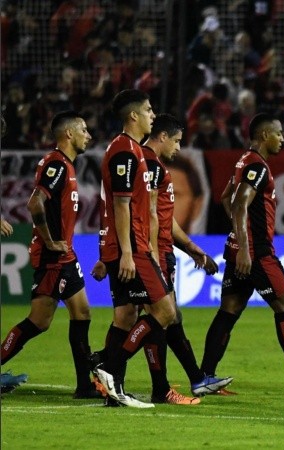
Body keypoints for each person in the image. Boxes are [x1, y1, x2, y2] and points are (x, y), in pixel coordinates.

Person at [199, 113, 284, 395]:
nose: (283, 139)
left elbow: (226, 199)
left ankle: (206, 377)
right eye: (279, 134)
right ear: (265, 136)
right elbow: (238, 205)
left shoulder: (242, 162)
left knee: (229, 311)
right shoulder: (257, 166)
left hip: (238, 249)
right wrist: (247, 247)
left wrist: (239, 238)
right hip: (257, 253)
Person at [0, 111, 101, 398]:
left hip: (64, 256)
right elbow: (35, 203)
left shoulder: (65, 165)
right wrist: (51, 240)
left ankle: (84, 386)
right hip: (53, 258)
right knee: (42, 320)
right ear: (68, 134)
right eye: (83, 129)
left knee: (73, 315)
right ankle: (84, 385)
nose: (88, 135)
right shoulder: (56, 165)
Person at [92, 89, 176, 409]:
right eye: (149, 110)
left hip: (124, 246)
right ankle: (108, 368)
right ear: (133, 116)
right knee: (165, 311)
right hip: (133, 247)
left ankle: (115, 392)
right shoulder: (125, 151)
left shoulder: (133, 150)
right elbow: (121, 204)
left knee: (126, 316)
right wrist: (126, 252)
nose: (153, 115)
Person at [142, 114, 231, 397]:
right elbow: (150, 217)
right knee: (157, 317)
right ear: (163, 136)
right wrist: (153, 256)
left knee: (167, 316)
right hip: (150, 253)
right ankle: (109, 365)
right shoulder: (149, 165)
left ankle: (193, 379)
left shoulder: (151, 165)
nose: (179, 148)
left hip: (161, 251)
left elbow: (165, 220)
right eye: (177, 141)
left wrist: (192, 248)